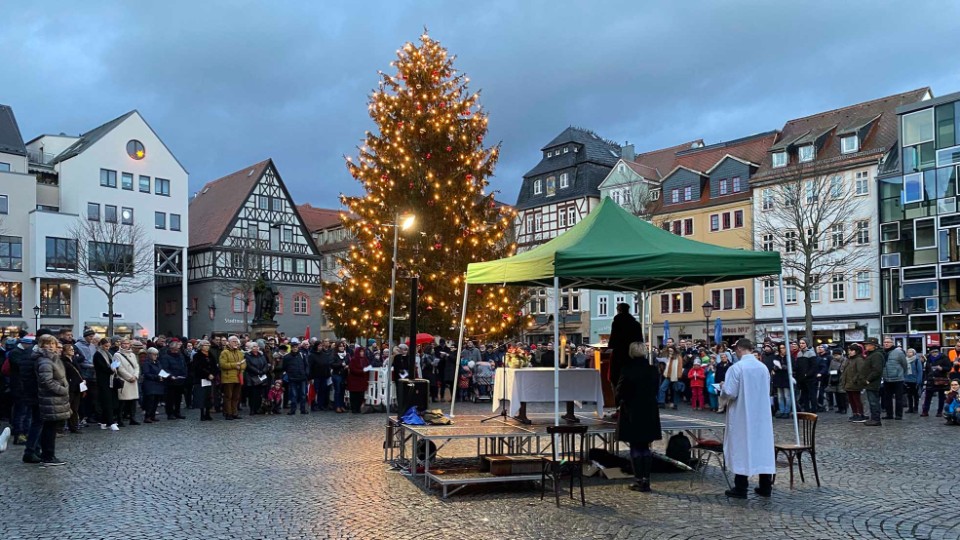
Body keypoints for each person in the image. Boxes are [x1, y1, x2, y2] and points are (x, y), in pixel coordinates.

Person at [720, 338, 775, 498]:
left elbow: (730, 392)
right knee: (762, 447)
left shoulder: (737, 368)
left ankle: (741, 487)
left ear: (738, 349)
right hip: (761, 414)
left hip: (742, 413)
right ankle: (765, 486)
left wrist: (723, 388)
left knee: (741, 446)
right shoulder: (763, 367)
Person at [615, 343, 661, 492]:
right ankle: (646, 480)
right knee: (645, 446)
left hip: (632, 410)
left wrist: (619, 401)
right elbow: (656, 389)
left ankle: (639, 480)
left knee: (635, 445)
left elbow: (620, 391)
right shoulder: (652, 370)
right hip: (649, 410)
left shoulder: (627, 369)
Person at [35, 335, 71, 466]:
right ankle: (48, 456)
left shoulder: (54, 359)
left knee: (51, 427)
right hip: (50, 398)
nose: (50, 346)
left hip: (55, 398)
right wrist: (62, 390)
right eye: (47, 343)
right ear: (41, 345)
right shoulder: (45, 361)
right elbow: (47, 381)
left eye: (53, 344)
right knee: (49, 428)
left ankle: (48, 455)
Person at [608, 302, 644, 396]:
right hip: (633, 356)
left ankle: (618, 401)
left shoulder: (617, 323)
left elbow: (613, 341)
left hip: (619, 356)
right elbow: (640, 340)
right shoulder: (636, 324)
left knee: (616, 379)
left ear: (619, 310)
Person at [114, 338, 141, 426]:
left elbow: (136, 366)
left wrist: (135, 376)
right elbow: (119, 368)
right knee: (122, 401)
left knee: (133, 401)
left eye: (127, 343)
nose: (126, 345)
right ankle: (120, 419)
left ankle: (132, 418)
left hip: (133, 380)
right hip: (124, 380)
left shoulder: (132, 354)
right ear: (121, 344)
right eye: (124, 343)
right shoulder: (117, 355)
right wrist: (129, 377)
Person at [159, 340, 189, 420]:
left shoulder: (180, 356)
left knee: (178, 398)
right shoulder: (165, 357)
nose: (177, 351)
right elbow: (164, 368)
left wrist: (184, 374)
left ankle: (177, 412)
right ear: (171, 349)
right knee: (170, 399)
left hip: (180, 380)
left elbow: (184, 366)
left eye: (178, 349)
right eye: (175, 349)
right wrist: (171, 376)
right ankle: (170, 413)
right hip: (170, 381)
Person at [219, 336, 247, 420]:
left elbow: (244, 364)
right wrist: (235, 365)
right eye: (234, 341)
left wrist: (240, 367)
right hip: (228, 378)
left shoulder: (240, 353)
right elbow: (223, 365)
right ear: (229, 342)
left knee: (236, 396)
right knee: (228, 396)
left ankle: (234, 413)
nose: (236, 343)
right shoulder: (224, 352)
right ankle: (228, 413)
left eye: (237, 342)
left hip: (238, 377)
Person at [60, 342, 85, 434]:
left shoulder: (73, 360)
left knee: (75, 408)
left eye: (73, 349)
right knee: (67, 407)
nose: (72, 351)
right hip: (70, 387)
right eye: (70, 350)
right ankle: (61, 427)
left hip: (77, 386)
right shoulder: (63, 361)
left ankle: (74, 426)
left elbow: (79, 371)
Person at [881, 337, 907, 420]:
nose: (886, 344)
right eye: (885, 342)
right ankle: (889, 414)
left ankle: (899, 415)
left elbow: (904, 364)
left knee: (898, 398)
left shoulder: (899, 352)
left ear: (892, 343)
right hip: (886, 378)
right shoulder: (882, 352)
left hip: (897, 378)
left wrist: (901, 374)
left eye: (888, 342)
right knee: (887, 398)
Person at [282, 338, 310, 415]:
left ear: (298, 347)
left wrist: (306, 374)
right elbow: (284, 367)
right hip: (292, 378)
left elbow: (306, 365)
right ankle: (293, 410)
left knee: (303, 394)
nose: (295, 348)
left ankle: (303, 409)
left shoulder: (302, 355)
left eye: (296, 347)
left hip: (302, 377)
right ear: (291, 348)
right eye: (293, 347)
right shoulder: (287, 357)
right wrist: (289, 374)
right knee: (293, 395)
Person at [861, 337, 885, 426]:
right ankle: (874, 418)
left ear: (873, 345)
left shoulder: (876, 355)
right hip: (870, 382)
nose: (865, 346)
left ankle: (876, 419)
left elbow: (877, 370)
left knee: (873, 401)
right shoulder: (871, 354)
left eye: (867, 344)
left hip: (873, 382)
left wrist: (868, 379)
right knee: (872, 401)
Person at [922, 347, 952, 417]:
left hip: (941, 379)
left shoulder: (944, 358)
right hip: (931, 379)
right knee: (928, 396)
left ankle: (939, 411)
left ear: (938, 352)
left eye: (936, 352)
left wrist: (942, 368)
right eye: (933, 352)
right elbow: (926, 370)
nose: (934, 353)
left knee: (941, 396)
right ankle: (925, 411)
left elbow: (949, 368)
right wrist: (925, 379)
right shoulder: (928, 359)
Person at [192, 340, 217, 421]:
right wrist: (207, 374)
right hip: (201, 378)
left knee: (209, 396)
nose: (207, 347)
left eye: (208, 345)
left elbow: (214, 366)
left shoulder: (211, 355)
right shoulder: (197, 356)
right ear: (201, 346)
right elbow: (197, 367)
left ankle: (208, 413)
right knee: (202, 396)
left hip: (210, 379)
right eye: (205, 345)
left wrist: (213, 374)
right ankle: (202, 413)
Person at [141, 347, 165, 423]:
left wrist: (163, 376)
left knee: (156, 401)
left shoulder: (158, 362)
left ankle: (152, 415)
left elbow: (161, 370)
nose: (156, 356)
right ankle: (147, 416)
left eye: (156, 355)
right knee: (150, 401)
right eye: (154, 354)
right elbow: (146, 374)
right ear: (149, 354)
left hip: (158, 384)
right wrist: (157, 377)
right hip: (150, 384)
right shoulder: (146, 363)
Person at [245, 342, 269, 416]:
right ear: (251, 348)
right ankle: (252, 409)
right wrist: (258, 371)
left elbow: (265, 364)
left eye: (257, 346)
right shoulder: (248, 356)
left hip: (261, 376)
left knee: (259, 394)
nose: (256, 348)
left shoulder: (261, 355)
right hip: (252, 377)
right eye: (254, 346)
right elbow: (249, 366)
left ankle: (257, 408)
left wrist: (263, 371)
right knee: (253, 394)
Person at [346, 347, 370, 413]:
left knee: (361, 395)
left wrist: (367, 370)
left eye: (363, 351)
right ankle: (354, 408)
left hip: (362, 380)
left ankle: (359, 408)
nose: (362, 353)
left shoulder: (365, 359)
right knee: (354, 395)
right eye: (360, 351)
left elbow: (368, 367)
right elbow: (353, 369)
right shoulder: (354, 360)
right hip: (354, 381)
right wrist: (362, 371)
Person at [904, 348, 924, 414]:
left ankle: (916, 408)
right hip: (907, 380)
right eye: (908, 352)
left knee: (915, 395)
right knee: (909, 395)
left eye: (910, 352)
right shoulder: (905, 360)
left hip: (915, 380)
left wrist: (919, 381)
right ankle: (910, 408)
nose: (909, 353)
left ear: (913, 353)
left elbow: (920, 371)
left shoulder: (916, 360)